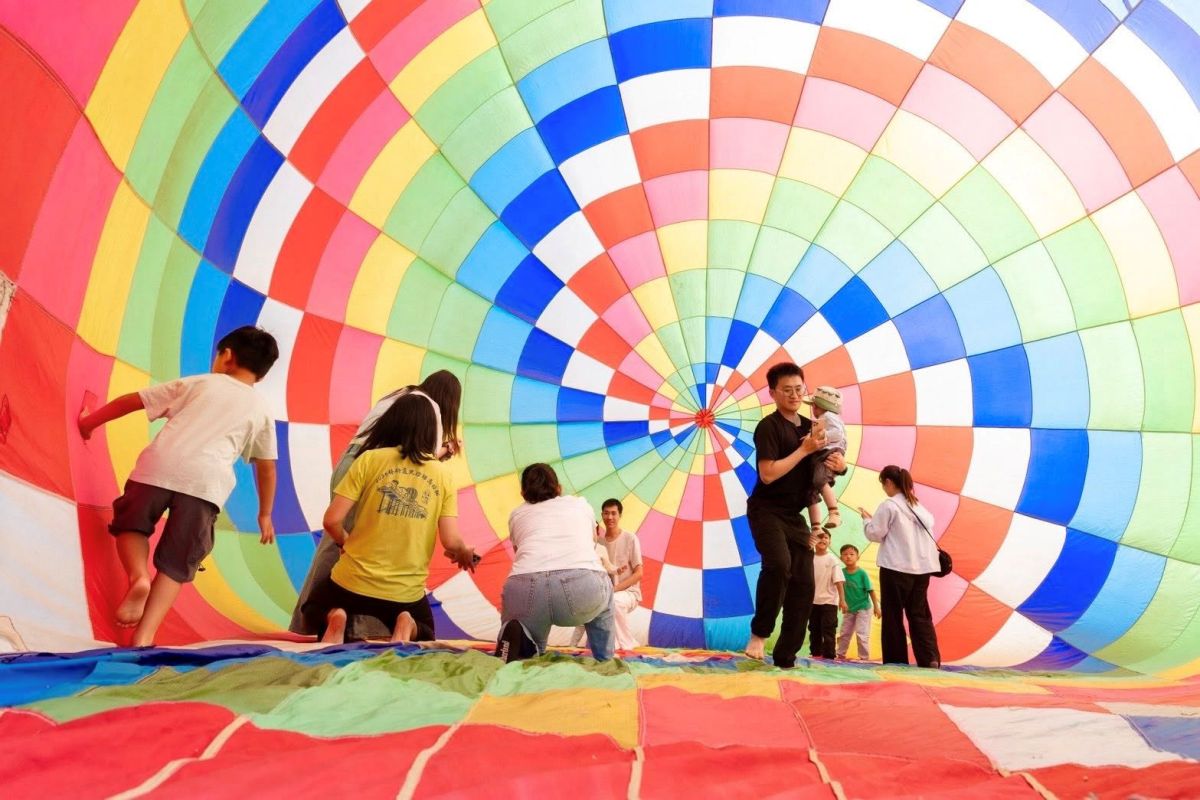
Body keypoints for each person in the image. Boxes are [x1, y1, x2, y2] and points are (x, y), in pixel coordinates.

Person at [77, 326, 279, 646]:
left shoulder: (200, 383)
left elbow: (134, 400)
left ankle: (138, 577)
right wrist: (265, 513)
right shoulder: (262, 411)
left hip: (159, 466)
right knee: (177, 562)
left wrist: (89, 422)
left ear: (227, 356)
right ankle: (145, 635)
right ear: (262, 376)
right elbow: (267, 467)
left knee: (131, 525)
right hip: (206, 485)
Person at [289, 370, 462, 636]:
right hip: (374, 470)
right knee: (350, 547)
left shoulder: (400, 395)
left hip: (353, 461)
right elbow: (419, 459)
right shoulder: (430, 409)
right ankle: (320, 622)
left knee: (343, 543)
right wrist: (446, 450)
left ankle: (333, 616)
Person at [744, 362, 846, 667]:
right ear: (773, 393)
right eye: (786, 390)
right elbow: (767, 474)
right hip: (766, 510)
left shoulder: (812, 425)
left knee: (804, 583)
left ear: (806, 391)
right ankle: (759, 634)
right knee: (778, 565)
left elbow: (823, 471)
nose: (793, 395)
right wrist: (803, 450)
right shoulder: (769, 427)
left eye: (799, 389)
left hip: (794, 515)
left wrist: (840, 466)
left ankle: (786, 657)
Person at [495, 464, 615, 662]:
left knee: (528, 624)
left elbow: (519, 554)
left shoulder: (516, 515)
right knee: (606, 589)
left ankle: (527, 645)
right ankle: (604, 660)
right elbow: (593, 541)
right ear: (558, 488)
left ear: (523, 493)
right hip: (580, 587)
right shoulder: (580, 504)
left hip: (524, 586)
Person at [858, 465, 941, 668]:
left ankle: (896, 660)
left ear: (888, 482)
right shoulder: (919, 507)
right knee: (920, 614)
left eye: (883, 484)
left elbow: (875, 533)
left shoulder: (889, 506)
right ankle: (930, 657)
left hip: (895, 567)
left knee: (893, 614)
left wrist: (866, 520)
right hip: (922, 569)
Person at [599, 498, 642, 650]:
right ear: (601, 515)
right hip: (605, 594)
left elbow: (639, 573)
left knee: (615, 601)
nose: (610, 517)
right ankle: (615, 644)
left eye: (613, 513)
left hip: (629, 593)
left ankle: (627, 646)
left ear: (620, 515)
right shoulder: (599, 543)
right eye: (606, 513)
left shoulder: (630, 538)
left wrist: (615, 589)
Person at [804, 386, 847, 530]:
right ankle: (816, 527)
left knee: (819, 480)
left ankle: (834, 513)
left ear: (817, 406)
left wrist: (821, 436)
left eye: (814, 407)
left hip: (829, 451)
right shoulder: (826, 418)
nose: (813, 410)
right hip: (824, 452)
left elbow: (838, 433)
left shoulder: (828, 416)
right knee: (810, 489)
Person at [836, 544, 880, 660]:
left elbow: (871, 591)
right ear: (841, 558)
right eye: (845, 554)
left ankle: (864, 657)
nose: (848, 557)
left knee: (861, 633)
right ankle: (840, 654)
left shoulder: (862, 573)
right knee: (844, 632)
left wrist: (876, 607)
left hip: (864, 608)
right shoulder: (841, 572)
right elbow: (838, 588)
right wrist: (841, 601)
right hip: (849, 609)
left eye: (851, 554)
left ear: (857, 557)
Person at [808, 529, 846, 659]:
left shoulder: (832, 559)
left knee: (828, 629)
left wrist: (842, 600)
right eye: (819, 537)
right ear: (813, 540)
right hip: (812, 601)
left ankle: (829, 656)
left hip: (829, 602)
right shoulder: (809, 558)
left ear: (830, 541)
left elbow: (839, 581)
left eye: (826, 538)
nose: (823, 540)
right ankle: (815, 654)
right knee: (814, 629)